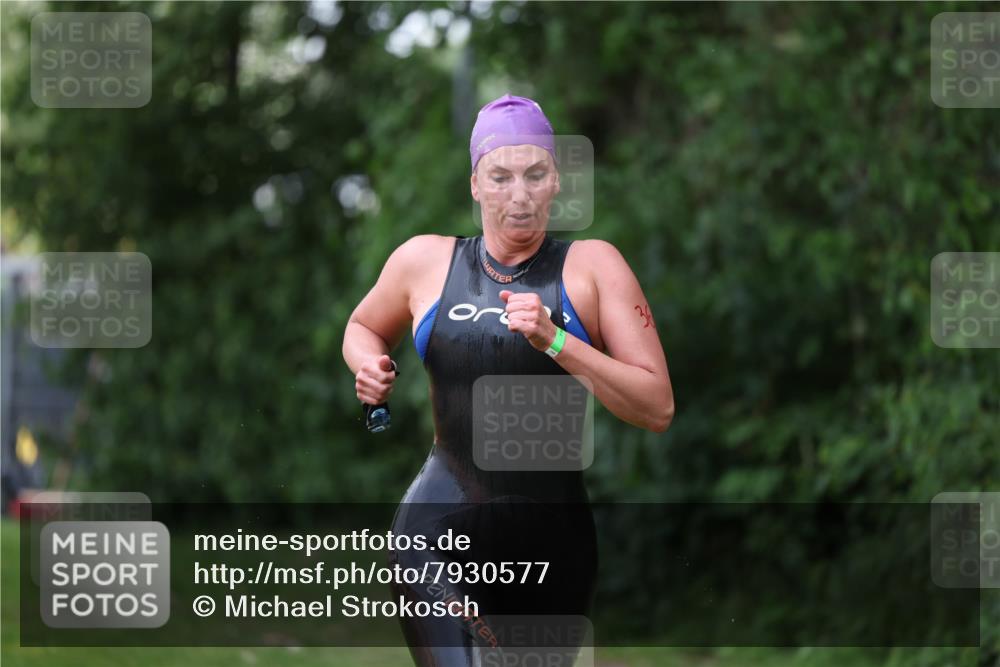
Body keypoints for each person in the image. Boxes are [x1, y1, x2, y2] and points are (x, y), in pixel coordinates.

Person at [343, 93, 674, 667]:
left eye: (534, 174)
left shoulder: (593, 268)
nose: (517, 194)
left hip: (553, 543)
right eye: (500, 176)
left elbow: (657, 406)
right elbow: (362, 326)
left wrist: (560, 342)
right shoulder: (424, 262)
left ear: (556, 182)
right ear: (475, 184)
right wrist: (368, 365)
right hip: (437, 529)